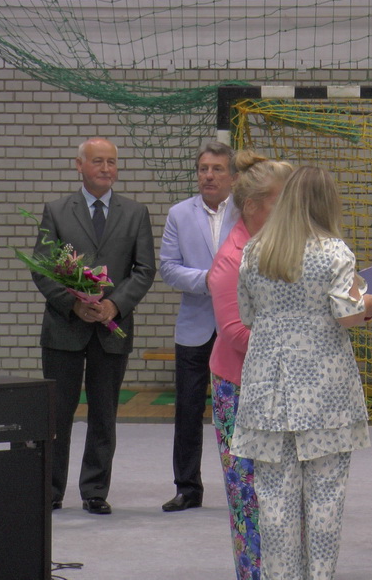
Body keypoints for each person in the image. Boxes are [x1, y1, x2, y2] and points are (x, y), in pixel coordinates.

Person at [232, 166, 372, 580]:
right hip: (325, 393)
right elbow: (347, 313)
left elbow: (247, 315)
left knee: (274, 502)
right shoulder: (335, 252)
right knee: (325, 500)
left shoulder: (255, 251)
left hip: (268, 389)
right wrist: (369, 304)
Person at [31, 137, 156, 515]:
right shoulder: (56, 211)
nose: (105, 168)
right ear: (79, 165)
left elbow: (144, 269)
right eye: (97, 161)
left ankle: (95, 490)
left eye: (111, 162)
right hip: (64, 328)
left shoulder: (136, 213)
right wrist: (74, 304)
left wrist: (113, 305)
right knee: (58, 413)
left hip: (110, 328)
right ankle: (51, 489)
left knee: (104, 414)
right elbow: (42, 268)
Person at [208, 150, 294, 580]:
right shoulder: (231, 260)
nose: (293, 209)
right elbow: (235, 333)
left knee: (287, 494)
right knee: (249, 497)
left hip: (282, 384)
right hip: (239, 390)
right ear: (254, 206)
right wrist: (296, 342)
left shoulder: (284, 247)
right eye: (283, 200)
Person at [158, 141, 240, 512]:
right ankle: (187, 487)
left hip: (237, 326)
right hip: (194, 328)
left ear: (232, 176)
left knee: (239, 411)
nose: (208, 175)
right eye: (203, 169)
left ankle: (243, 484)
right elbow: (169, 268)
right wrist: (210, 280)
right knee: (188, 410)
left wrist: (226, 284)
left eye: (217, 169)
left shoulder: (247, 211)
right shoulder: (179, 214)